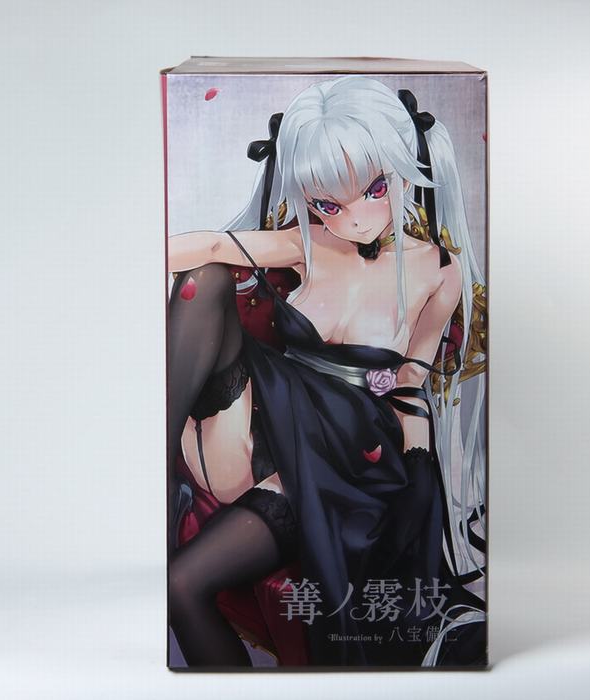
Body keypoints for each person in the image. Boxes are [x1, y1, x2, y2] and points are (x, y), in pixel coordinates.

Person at [167, 75, 487, 667]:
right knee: (203, 280)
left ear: (405, 167)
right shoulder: (309, 243)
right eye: (327, 204)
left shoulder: (439, 270)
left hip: (343, 451)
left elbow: (411, 382)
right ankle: (155, 451)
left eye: (374, 190)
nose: (356, 219)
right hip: (264, 414)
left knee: (182, 584)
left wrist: (419, 472)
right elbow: (211, 247)